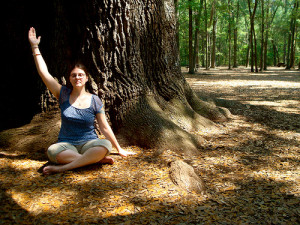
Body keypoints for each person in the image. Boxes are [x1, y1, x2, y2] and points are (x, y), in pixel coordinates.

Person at [28, 27, 135, 175]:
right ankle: (93, 160)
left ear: (86, 78)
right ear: (69, 79)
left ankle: (63, 167)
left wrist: (119, 148)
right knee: (52, 151)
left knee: (104, 144)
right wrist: (35, 46)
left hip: (90, 143)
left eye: (80, 75)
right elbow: (43, 73)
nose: (77, 77)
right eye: (73, 75)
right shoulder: (63, 94)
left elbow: (104, 127)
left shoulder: (95, 100)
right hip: (66, 144)